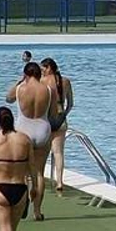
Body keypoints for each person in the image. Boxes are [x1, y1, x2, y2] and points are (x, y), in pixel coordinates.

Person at [7, 61, 54, 221]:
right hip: (42, 129)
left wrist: (20, 81)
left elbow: (8, 98)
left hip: (23, 131)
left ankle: (23, 202)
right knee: (39, 173)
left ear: (25, 74)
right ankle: (37, 211)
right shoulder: (48, 90)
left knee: (22, 173)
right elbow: (53, 112)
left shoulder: (21, 88)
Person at [40, 57, 74, 195]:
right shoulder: (65, 81)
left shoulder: (42, 82)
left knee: (43, 153)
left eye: (43, 69)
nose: (42, 73)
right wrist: (64, 114)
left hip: (47, 119)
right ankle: (59, 181)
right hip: (61, 118)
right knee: (58, 153)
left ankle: (39, 178)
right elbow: (70, 104)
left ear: (48, 68)